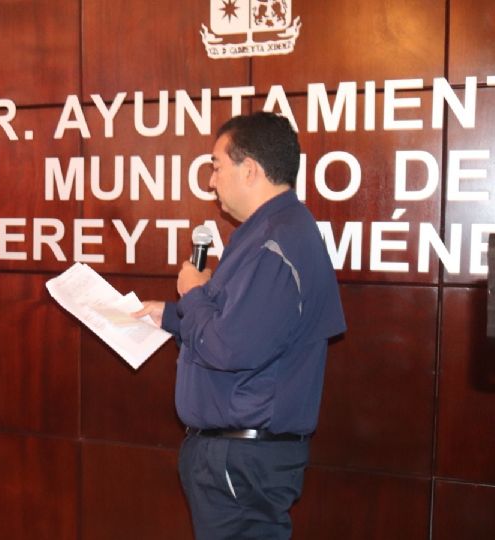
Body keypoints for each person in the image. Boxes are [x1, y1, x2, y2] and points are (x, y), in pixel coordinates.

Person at [135, 112, 346, 539]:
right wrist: (170, 314)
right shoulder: (266, 233)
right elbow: (238, 322)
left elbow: (231, 348)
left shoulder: (277, 241)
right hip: (237, 454)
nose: (210, 181)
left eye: (216, 166)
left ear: (249, 169)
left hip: (243, 456)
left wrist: (192, 292)